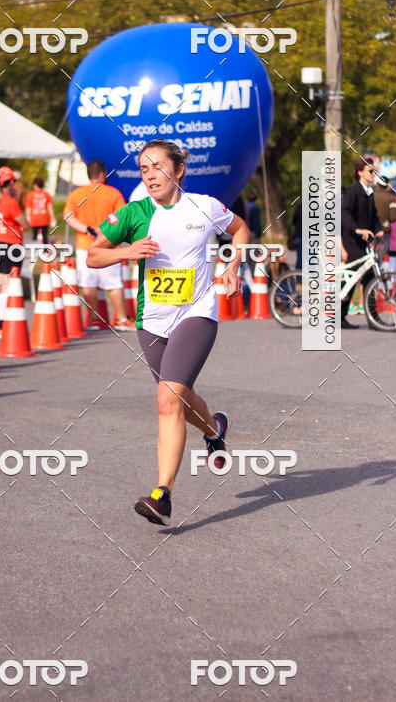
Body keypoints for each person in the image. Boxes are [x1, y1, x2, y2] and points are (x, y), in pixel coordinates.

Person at [87, 140, 249, 526]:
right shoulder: (134, 213)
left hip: (197, 313)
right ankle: (215, 428)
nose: (150, 175)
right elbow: (93, 255)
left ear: (178, 170)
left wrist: (233, 265)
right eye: (144, 169)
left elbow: (240, 229)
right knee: (177, 399)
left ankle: (162, 495)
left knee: (167, 396)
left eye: (158, 167)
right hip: (152, 321)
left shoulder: (204, 206)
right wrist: (125, 252)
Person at [64, 160, 133, 331]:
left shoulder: (77, 194)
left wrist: (86, 229)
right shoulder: (113, 193)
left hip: (85, 245)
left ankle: (93, 320)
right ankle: (121, 319)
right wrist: (105, 231)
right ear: (102, 174)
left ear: (89, 175)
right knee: (114, 284)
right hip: (108, 245)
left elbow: (68, 217)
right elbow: (121, 219)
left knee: (88, 284)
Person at [341, 158, 384, 329]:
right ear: (360, 172)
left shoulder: (369, 193)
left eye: (374, 171)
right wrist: (357, 230)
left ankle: (373, 319)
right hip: (352, 240)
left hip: (364, 242)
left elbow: (374, 217)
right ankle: (340, 316)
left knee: (369, 279)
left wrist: (378, 229)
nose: (373, 174)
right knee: (353, 278)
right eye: (370, 171)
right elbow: (344, 213)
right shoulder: (353, 191)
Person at [0, 166, 29, 331]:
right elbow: (25, 224)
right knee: (7, 285)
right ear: (10, 183)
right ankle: (3, 323)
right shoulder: (11, 203)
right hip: (12, 245)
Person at [374, 175, 396, 263]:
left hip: (372, 229)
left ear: (377, 184)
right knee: (382, 257)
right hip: (385, 230)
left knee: (371, 254)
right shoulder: (391, 198)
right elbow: (393, 218)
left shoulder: (371, 196)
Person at [25, 177, 56, 244]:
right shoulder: (46, 194)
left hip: (34, 219)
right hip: (44, 219)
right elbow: (50, 208)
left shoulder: (31, 194)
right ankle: (45, 249)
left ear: (35, 185)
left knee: (34, 237)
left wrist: (27, 217)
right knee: (45, 237)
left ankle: (35, 248)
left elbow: (28, 208)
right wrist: (52, 218)